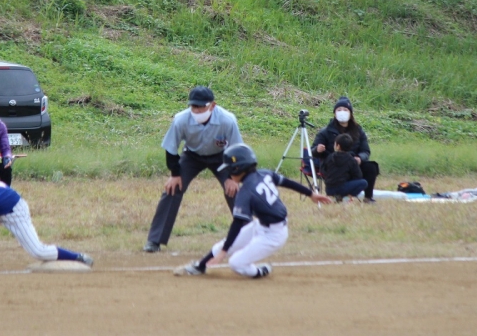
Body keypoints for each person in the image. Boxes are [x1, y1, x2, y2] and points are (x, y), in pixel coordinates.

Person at [174, 143, 331, 278]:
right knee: (222, 245)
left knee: (235, 263)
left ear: (237, 168)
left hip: (274, 236)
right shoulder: (264, 173)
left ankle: (261, 271)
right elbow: (287, 182)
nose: (228, 173)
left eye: (229, 169)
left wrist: (224, 252)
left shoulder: (246, 192)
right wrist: (311, 194)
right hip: (260, 225)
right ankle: (200, 266)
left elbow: (237, 223)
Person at [143, 86, 244, 253]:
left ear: (212, 105)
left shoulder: (228, 120)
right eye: (193, 107)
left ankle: (248, 236)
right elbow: (171, 149)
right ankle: (154, 241)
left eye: (201, 107)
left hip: (222, 157)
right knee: (172, 189)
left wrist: (233, 178)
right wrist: (175, 174)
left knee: (235, 191)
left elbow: (237, 151)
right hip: (192, 156)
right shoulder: (181, 120)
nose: (196, 111)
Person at [310, 96, 379, 203]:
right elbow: (312, 151)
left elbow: (366, 151)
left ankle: (368, 197)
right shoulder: (326, 131)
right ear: (334, 113)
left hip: (353, 163)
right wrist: (317, 150)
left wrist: (360, 158)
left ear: (351, 113)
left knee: (371, 167)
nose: (342, 112)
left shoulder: (358, 130)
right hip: (333, 165)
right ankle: (341, 194)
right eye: (339, 110)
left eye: (345, 110)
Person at [321, 134, 367, 201]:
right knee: (364, 182)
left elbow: (323, 169)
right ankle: (346, 197)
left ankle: (337, 197)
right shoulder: (351, 159)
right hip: (342, 187)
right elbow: (358, 175)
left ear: (338, 146)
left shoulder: (330, 157)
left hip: (329, 189)